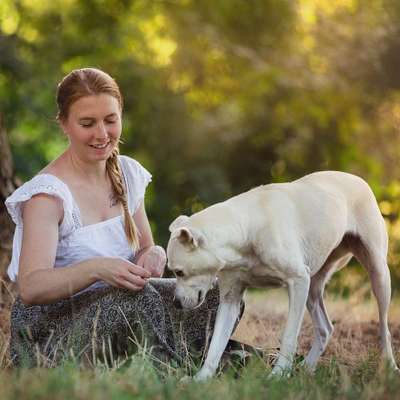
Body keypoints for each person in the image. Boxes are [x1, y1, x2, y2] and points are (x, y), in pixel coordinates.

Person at [5, 67, 243, 369]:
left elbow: (146, 247)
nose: (102, 134)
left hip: (123, 307)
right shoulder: (47, 196)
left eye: (110, 120)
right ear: (64, 123)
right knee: (136, 302)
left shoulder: (127, 173)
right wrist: (96, 270)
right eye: (87, 123)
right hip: (49, 328)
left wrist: (154, 254)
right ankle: (189, 365)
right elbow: (32, 287)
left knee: (221, 290)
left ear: (121, 115)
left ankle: (196, 357)